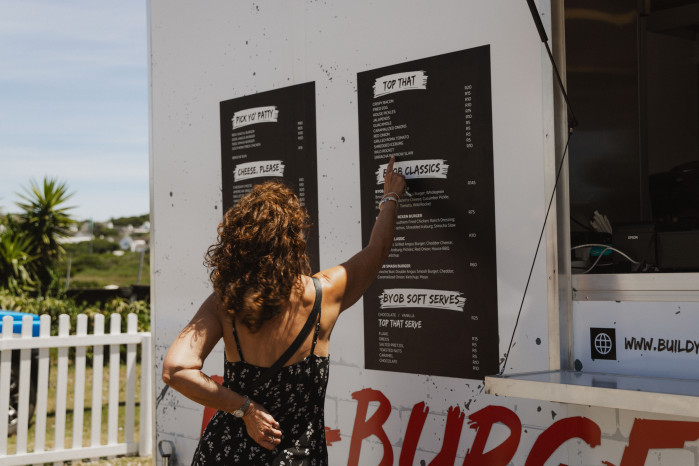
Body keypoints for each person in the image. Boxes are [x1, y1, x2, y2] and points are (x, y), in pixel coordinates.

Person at [162, 156, 406, 464]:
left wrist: (245, 409)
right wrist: (391, 196)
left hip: (226, 453)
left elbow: (176, 370)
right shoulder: (324, 293)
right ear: (294, 241)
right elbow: (377, 250)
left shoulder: (225, 302)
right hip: (298, 457)